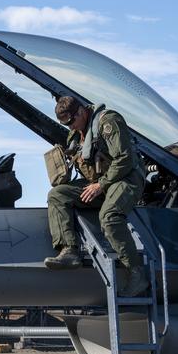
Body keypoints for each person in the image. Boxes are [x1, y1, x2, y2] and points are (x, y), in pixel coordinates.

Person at [44, 95, 149, 297]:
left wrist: (100, 185)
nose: (70, 127)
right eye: (66, 124)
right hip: (100, 182)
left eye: (71, 122)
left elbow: (125, 159)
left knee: (109, 218)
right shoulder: (76, 134)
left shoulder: (108, 122)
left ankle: (137, 273)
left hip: (126, 178)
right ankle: (69, 251)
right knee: (57, 195)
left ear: (82, 112)